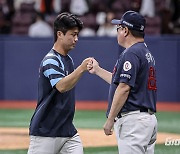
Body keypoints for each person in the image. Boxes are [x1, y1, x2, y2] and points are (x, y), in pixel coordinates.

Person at [88, 10, 158, 154]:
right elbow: (121, 82)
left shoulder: (131, 53)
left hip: (134, 122)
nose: (117, 31)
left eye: (119, 28)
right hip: (146, 120)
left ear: (126, 30)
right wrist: (98, 70)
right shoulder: (144, 52)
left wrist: (110, 119)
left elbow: (124, 88)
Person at [28, 12, 93, 154]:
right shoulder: (50, 59)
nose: (76, 39)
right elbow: (61, 86)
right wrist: (81, 68)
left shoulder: (68, 60)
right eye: (73, 34)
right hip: (45, 131)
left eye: (77, 35)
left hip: (67, 130)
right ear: (60, 34)